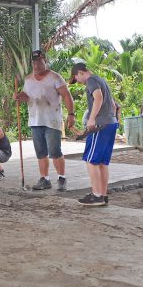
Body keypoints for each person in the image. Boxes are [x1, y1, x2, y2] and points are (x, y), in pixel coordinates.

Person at [14, 50, 75, 192]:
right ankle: (45, 179)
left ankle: (61, 177)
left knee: (55, 150)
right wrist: (18, 96)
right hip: (35, 120)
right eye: (34, 62)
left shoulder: (55, 77)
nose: (36, 65)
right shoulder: (28, 80)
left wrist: (71, 114)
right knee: (40, 152)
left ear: (44, 61)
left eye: (39, 62)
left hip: (52, 120)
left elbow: (66, 96)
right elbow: (26, 97)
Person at [69, 62, 118, 206]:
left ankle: (96, 196)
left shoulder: (91, 81)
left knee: (91, 160)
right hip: (110, 123)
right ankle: (102, 195)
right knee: (102, 162)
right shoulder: (101, 80)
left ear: (80, 73)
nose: (77, 82)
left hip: (100, 125)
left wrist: (92, 119)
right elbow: (113, 105)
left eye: (76, 78)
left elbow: (98, 97)